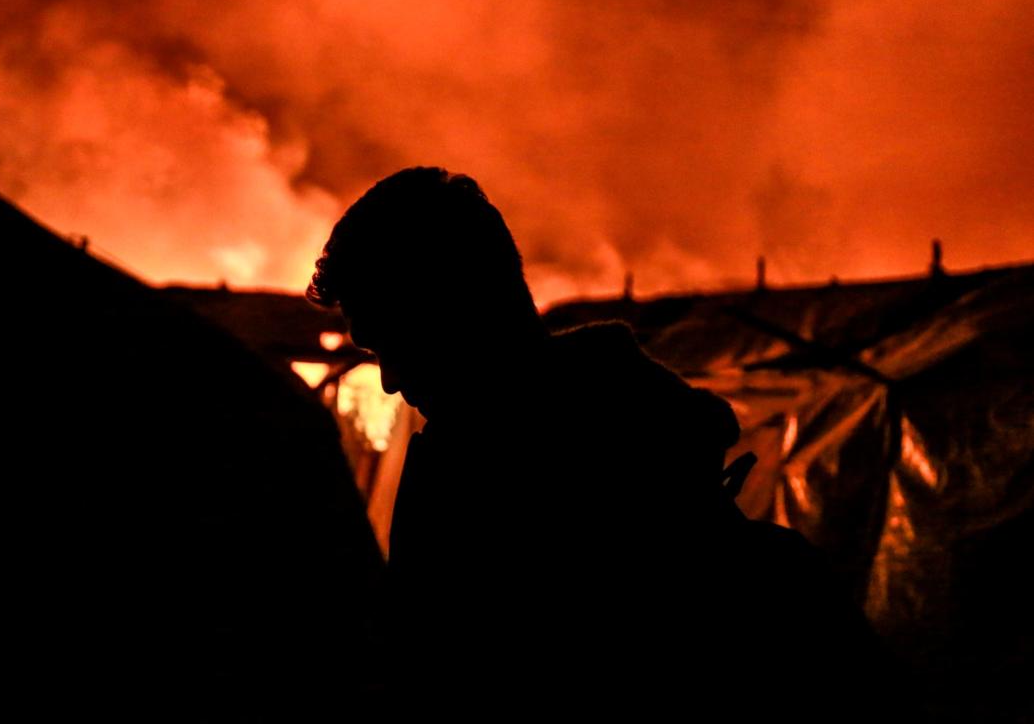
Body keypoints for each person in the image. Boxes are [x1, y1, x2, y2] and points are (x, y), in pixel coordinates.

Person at [306, 167, 899, 721]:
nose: (389, 380)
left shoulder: (497, 496)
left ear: (451, 310)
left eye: (391, 341)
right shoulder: (662, 479)